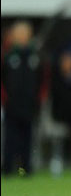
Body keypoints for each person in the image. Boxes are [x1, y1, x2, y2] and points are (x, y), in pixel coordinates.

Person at [1, 21, 46, 176]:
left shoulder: (36, 57)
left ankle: (25, 169)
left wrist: (39, 100)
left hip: (29, 105)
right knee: (10, 138)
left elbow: (43, 80)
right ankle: (7, 168)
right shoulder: (7, 56)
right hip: (11, 105)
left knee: (27, 139)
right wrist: (5, 99)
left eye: (24, 34)